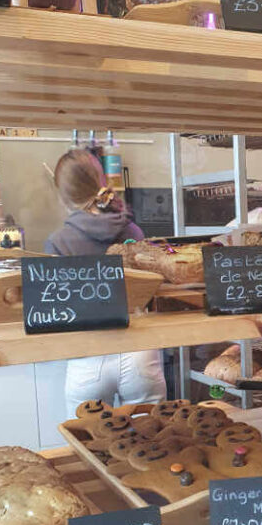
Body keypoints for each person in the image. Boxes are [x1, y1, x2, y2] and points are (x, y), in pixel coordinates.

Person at [46, 148, 167, 418]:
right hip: (140, 353)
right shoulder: (133, 231)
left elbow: (56, 308)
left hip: (87, 355)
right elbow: (148, 293)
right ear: (103, 182)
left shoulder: (59, 242)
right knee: (153, 442)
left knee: (88, 444)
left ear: (63, 194)